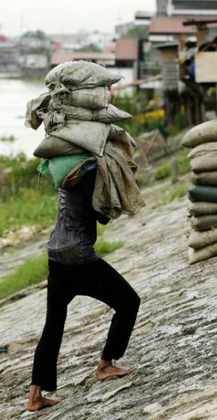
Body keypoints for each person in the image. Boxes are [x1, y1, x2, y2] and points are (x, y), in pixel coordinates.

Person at [26, 166, 140, 412]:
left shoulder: (65, 172)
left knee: (53, 324)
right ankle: (106, 365)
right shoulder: (89, 174)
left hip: (56, 255)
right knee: (128, 302)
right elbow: (103, 216)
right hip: (80, 258)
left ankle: (35, 395)